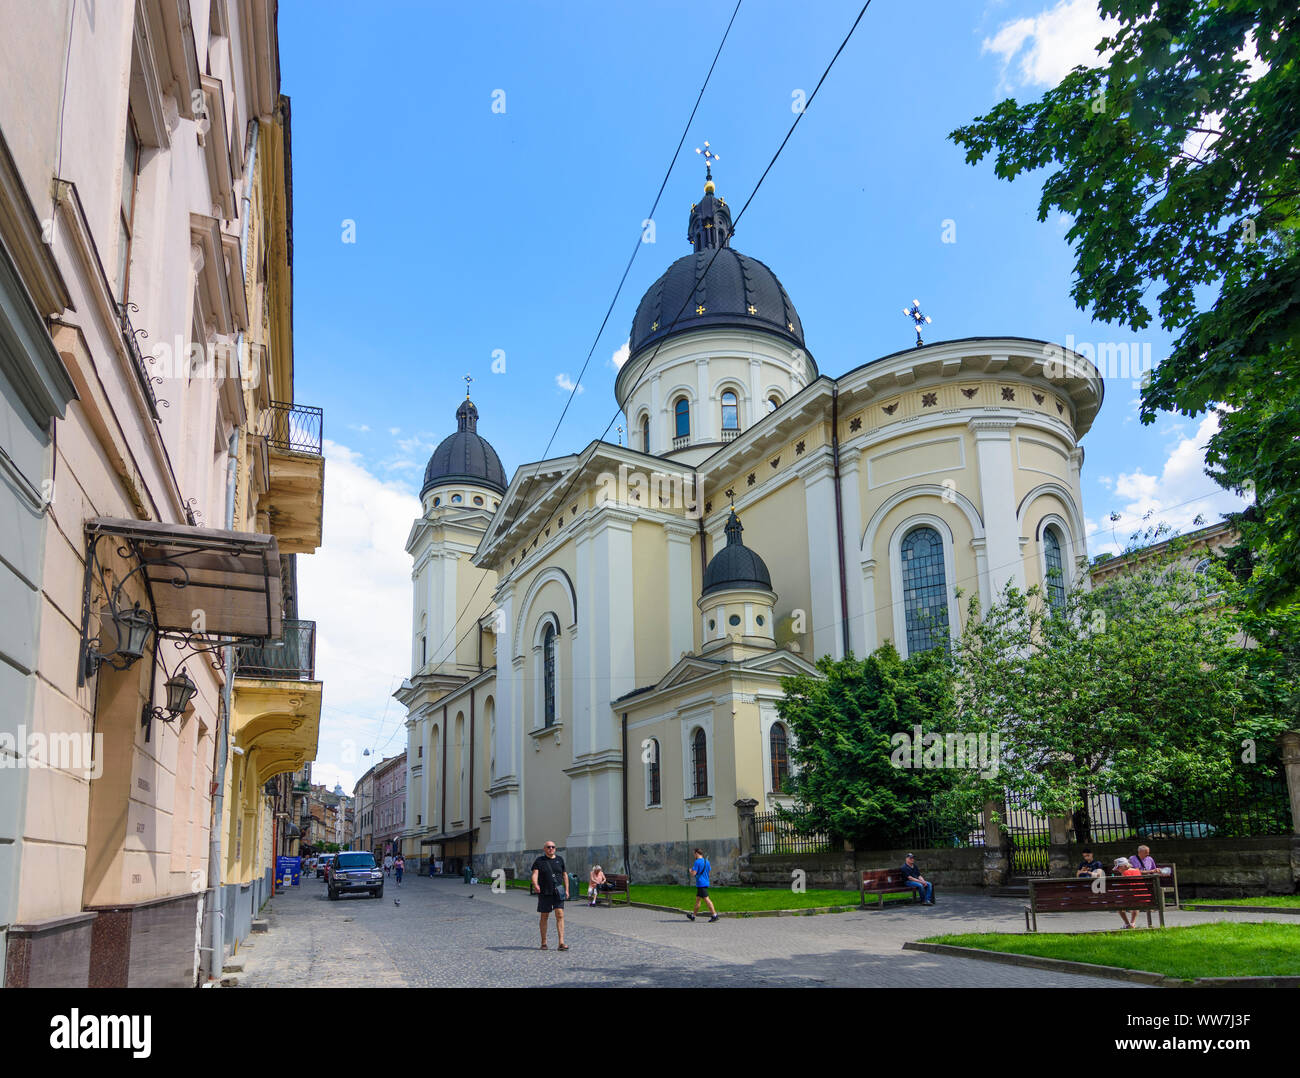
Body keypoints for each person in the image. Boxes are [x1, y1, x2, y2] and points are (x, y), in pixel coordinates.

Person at [530, 840, 569, 950]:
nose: (551, 848)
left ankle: (561, 942)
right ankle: (544, 942)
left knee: (560, 914)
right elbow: (534, 874)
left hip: (558, 892)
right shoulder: (539, 861)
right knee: (544, 916)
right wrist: (536, 884)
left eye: (553, 847)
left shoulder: (560, 860)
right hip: (545, 892)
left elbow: (565, 875)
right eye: (548, 847)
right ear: (544, 849)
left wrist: (567, 890)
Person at [686, 848, 719, 922]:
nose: (694, 855)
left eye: (694, 854)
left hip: (701, 883)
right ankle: (693, 916)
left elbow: (693, 874)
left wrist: (690, 871)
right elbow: (709, 870)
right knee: (698, 900)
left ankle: (714, 915)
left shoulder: (697, 862)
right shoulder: (707, 861)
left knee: (707, 899)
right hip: (705, 882)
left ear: (697, 853)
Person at [1112, 856, 1144, 928]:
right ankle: (1132, 923)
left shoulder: (1125, 873)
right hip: (1141, 898)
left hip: (1128, 898)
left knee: (1119, 905)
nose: (1117, 869)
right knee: (1136, 902)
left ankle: (1127, 924)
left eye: (1118, 867)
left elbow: (1124, 889)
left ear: (1124, 866)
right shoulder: (1137, 871)